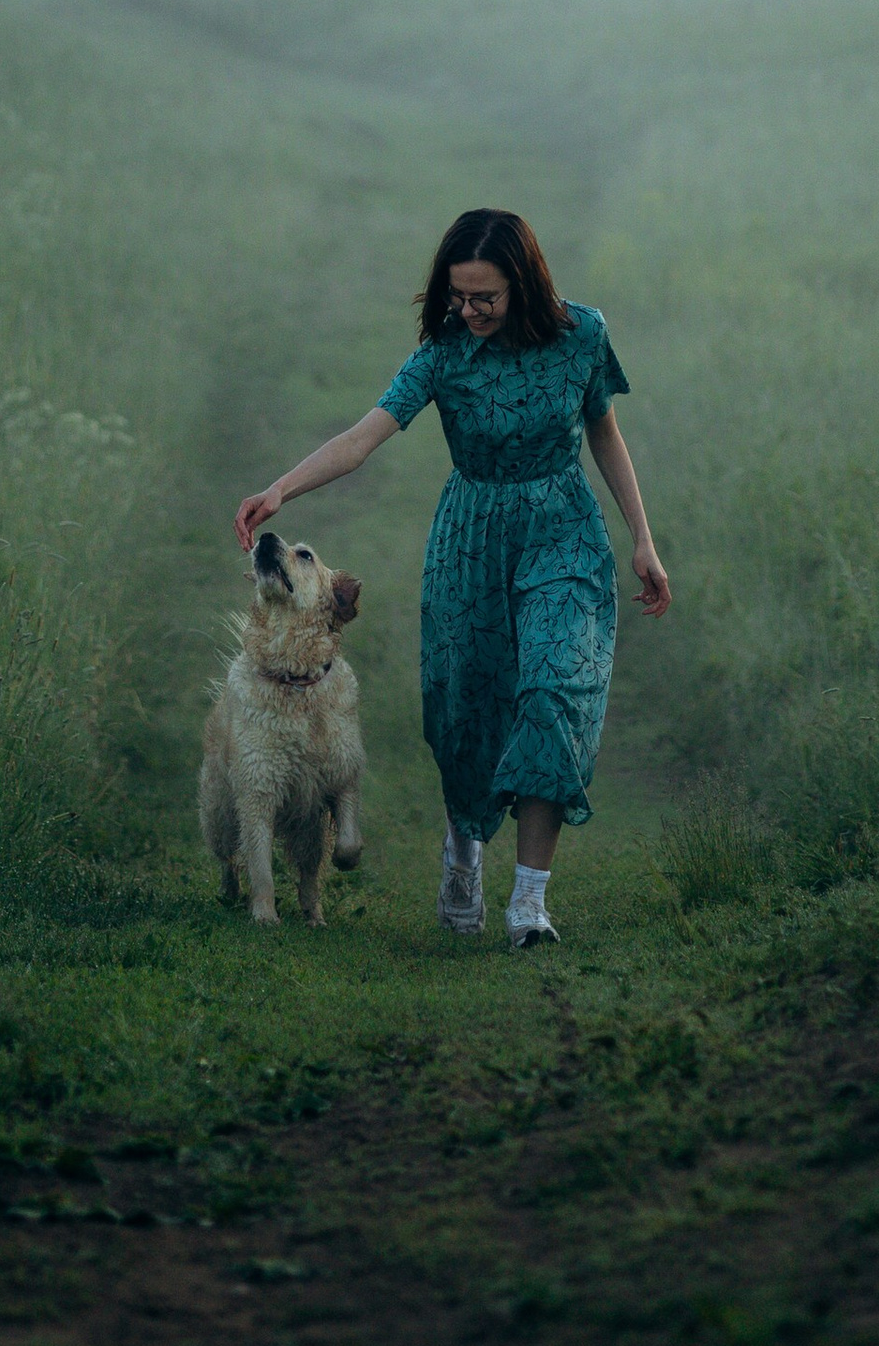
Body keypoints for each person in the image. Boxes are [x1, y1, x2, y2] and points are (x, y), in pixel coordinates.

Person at [232, 208, 669, 948]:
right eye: (457, 296)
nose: (468, 311)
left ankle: (529, 904)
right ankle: (464, 850)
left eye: (484, 298)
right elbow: (362, 438)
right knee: (468, 712)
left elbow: (603, 429)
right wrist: (282, 490)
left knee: (553, 691)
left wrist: (643, 540)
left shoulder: (584, 334)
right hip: (472, 541)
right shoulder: (442, 352)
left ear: (523, 285)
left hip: (563, 531)